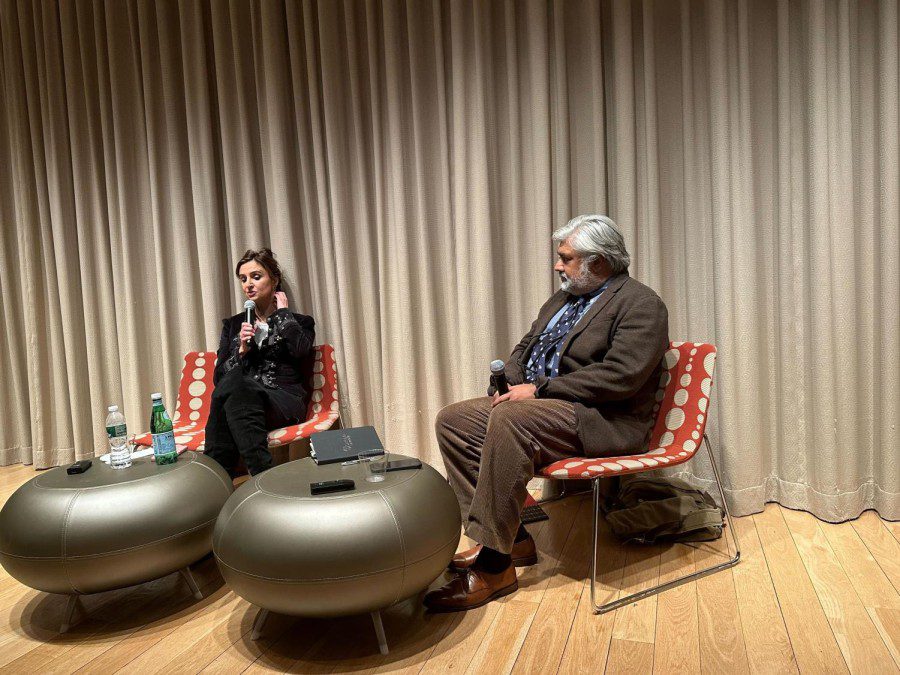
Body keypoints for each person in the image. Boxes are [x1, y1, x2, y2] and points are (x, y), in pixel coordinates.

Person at [425, 214, 669, 612]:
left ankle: (494, 565)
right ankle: (514, 538)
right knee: (454, 420)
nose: (558, 265)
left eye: (567, 258)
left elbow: (621, 376)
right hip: (546, 409)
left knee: (511, 419)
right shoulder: (562, 300)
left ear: (600, 262)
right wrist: (509, 380)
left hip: (600, 418)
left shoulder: (641, 304)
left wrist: (538, 390)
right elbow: (526, 348)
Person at [204, 249, 315, 477]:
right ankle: (262, 475)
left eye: (256, 276)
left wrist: (283, 314)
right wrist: (241, 352)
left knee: (233, 391)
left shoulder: (300, 321)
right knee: (234, 385)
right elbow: (218, 379)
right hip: (243, 401)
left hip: (283, 400)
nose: (248, 285)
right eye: (243, 279)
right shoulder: (234, 325)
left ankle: (217, 478)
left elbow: (302, 352)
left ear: (274, 279)